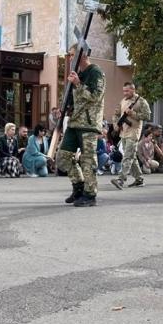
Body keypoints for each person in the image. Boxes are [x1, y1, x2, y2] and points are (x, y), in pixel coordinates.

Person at [56, 44, 106, 207]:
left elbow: (95, 97)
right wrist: (63, 110)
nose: (70, 58)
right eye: (69, 55)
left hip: (89, 124)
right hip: (74, 122)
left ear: (83, 55)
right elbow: (72, 99)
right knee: (62, 157)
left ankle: (90, 194)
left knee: (88, 160)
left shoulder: (95, 72)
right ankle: (78, 187)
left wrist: (78, 84)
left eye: (72, 55)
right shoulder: (77, 74)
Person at [111, 82, 151, 190]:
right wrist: (115, 124)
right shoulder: (123, 101)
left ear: (133, 90)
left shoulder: (141, 101)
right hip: (123, 132)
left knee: (127, 156)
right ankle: (139, 179)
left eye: (127, 91)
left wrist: (132, 113)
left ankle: (121, 179)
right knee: (132, 157)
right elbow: (115, 114)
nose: (125, 93)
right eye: (123, 91)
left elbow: (147, 116)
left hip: (134, 133)